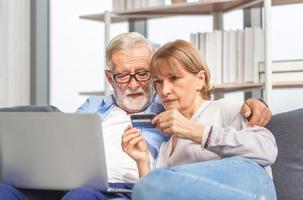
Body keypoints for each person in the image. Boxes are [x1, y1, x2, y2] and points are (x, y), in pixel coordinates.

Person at [0, 33, 271, 200]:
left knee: (83, 195)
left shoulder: (174, 114)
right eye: (123, 76)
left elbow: (265, 148)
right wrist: (143, 160)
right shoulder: (165, 144)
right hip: (80, 183)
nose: (134, 84)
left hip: (118, 191)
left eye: (144, 75)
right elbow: (152, 186)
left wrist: (253, 103)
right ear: (110, 77)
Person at [122, 39, 278, 200]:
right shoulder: (166, 148)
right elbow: (154, 193)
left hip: (252, 192)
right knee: (148, 186)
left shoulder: (224, 110)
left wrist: (192, 130)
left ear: (200, 79)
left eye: (174, 78)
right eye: (158, 82)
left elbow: (267, 150)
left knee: (155, 182)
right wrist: (143, 162)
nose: (164, 90)